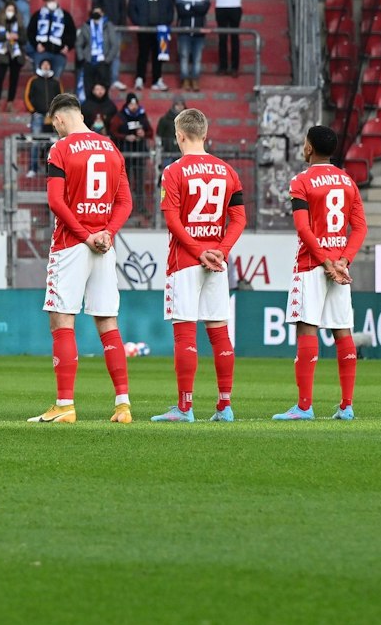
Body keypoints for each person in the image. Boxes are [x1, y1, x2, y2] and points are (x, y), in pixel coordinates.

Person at [30, 94, 134, 423]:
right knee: (107, 321)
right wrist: (107, 233)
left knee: (62, 321)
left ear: (59, 119)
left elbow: (56, 202)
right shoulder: (111, 148)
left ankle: (64, 405)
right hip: (104, 245)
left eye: (54, 124)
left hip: (72, 243)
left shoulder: (60, 149)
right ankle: (123, 405)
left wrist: (85, 235)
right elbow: (126, 202)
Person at [148, 109, 246, 423]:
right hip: (217, 262)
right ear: (205, 134)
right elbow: (239, 219)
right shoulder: (227, 171)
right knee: (219, 332)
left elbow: (173, 221)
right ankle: (225, 406)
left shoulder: (173, 171)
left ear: (179, 135)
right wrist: (220, 251)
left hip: (185, 261)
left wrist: (198, 251)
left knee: (185, 334)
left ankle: (185, 408)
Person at [275, 126, 368, 421]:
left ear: (310, 148)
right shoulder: (347, 181)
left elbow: (303, 227)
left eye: (304, 143)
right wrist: (343, 261)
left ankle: (304, 406)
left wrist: (326, 263)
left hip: (311, 264)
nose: (303, 148)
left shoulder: (301, 180)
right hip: (339, 267)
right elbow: (361, 227)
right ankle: (347, 405)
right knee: (343, 331)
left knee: (306, 329)